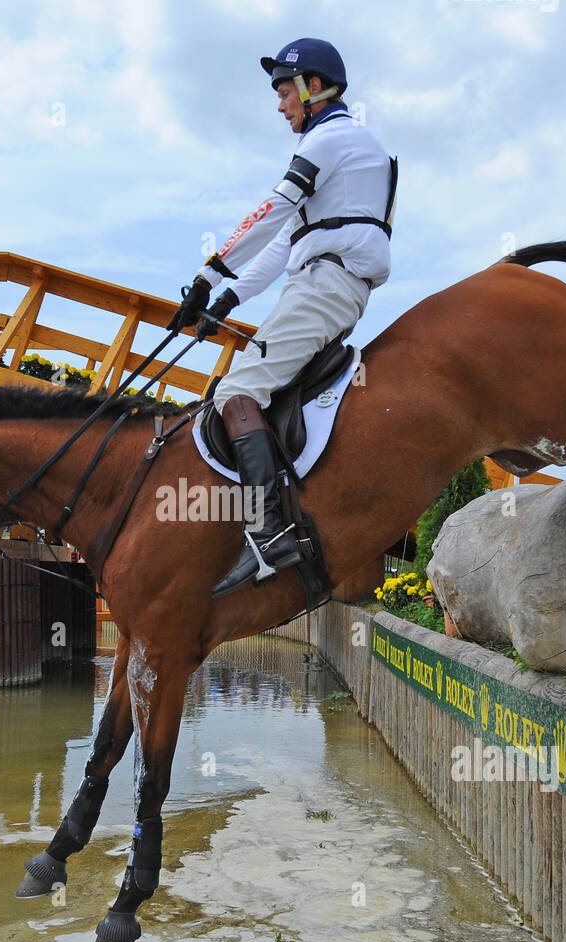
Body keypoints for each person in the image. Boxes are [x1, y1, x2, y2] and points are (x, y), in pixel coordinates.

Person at [167, 38, 395, 597]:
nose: (279, 106)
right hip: (323, 283)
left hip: (325, 286)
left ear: (315, 87)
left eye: (284, 91)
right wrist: (228, 298)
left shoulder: (332, 137)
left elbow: (270, 211)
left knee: (235, 394)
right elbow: (282, 243)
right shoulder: (342, 149)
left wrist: (209, 273)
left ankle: (270, 535)